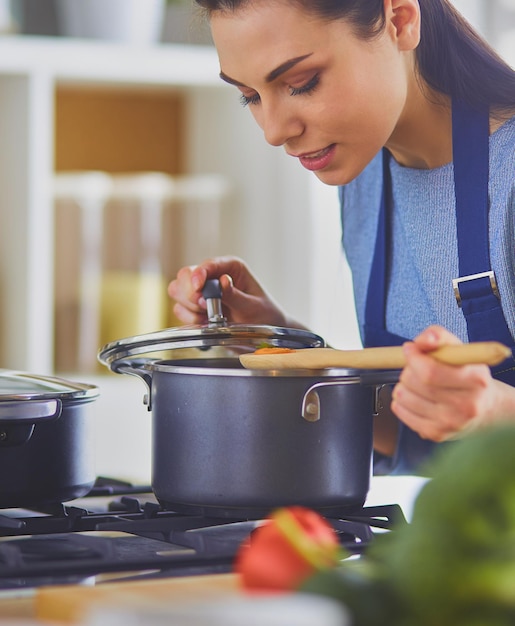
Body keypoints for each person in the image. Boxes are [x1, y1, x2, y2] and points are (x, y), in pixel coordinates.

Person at [168, 0, 515, 474]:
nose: (273, 130)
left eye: (301, 83)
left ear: (400, 19)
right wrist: (277, 346)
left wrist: (498, 415)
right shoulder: (364, 174)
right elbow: (409, 439)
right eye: (249, 95)